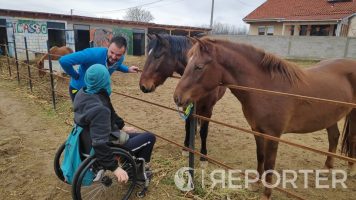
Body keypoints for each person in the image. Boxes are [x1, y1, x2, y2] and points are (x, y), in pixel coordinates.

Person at [73, 64, 156, 183]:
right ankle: (136, 174)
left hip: (87, 139)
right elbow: (99, 143)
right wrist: (115, 168)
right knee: (149, 138)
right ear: (104, 80)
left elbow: (110, 111)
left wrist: (123, 126)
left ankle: (130, 164)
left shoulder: (83, 93)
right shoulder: (100, 109)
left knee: (138, 135)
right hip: (107, 145)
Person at [59, 36, 139, 101]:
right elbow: (64, 61)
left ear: (123, 53)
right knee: (84, 117)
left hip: (97, 91)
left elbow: (115, 65)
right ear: (108, 47)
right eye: (111, 52)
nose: (114, 57)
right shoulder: (92, 54)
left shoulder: (120, 59)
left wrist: (127, 69)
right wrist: (75, 76)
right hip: (79, 90)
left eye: (118, 55)